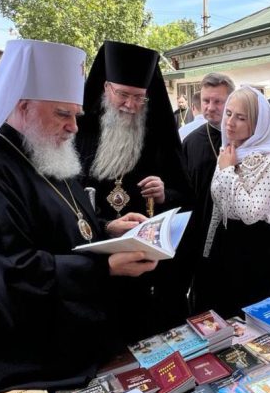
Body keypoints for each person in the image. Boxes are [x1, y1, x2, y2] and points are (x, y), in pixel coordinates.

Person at [0, 40, 158, 393]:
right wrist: (104, 267)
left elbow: (67, 219)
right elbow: (10, 271)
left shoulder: (44, 148)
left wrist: (108, 228)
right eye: (63, 114)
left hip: (77, 337)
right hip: (36, 358)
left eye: (75, 115)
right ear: (22, 106)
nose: (74, 127)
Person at [76, 41, 193, 331]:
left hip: (148, 263)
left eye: (139, 97)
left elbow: (186, 194)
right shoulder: (82, 131)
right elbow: (67, 194)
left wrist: (166, 193)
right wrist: (103, 224)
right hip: (98, 258)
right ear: (106, 89)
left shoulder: (159, 133)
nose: (130, 105)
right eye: (123, 95)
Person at [201, 87, 270, 318]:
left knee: (252, 318)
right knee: (225, 315)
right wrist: (208, 250)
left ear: (257, 124)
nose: (230, 122)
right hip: (228, 246)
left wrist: (227, 171)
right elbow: (219, 203)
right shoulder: (231, 151)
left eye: (241, 117)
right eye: (229, 114)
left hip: (256, 252)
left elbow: (250, 212)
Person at [182, 72, 235, 311]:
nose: (210, 107)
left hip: (238, 240)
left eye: (218, 101)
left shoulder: (248, 138)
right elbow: (182, 191)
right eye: (206, 101)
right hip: (202, 237)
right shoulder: (191, 142)